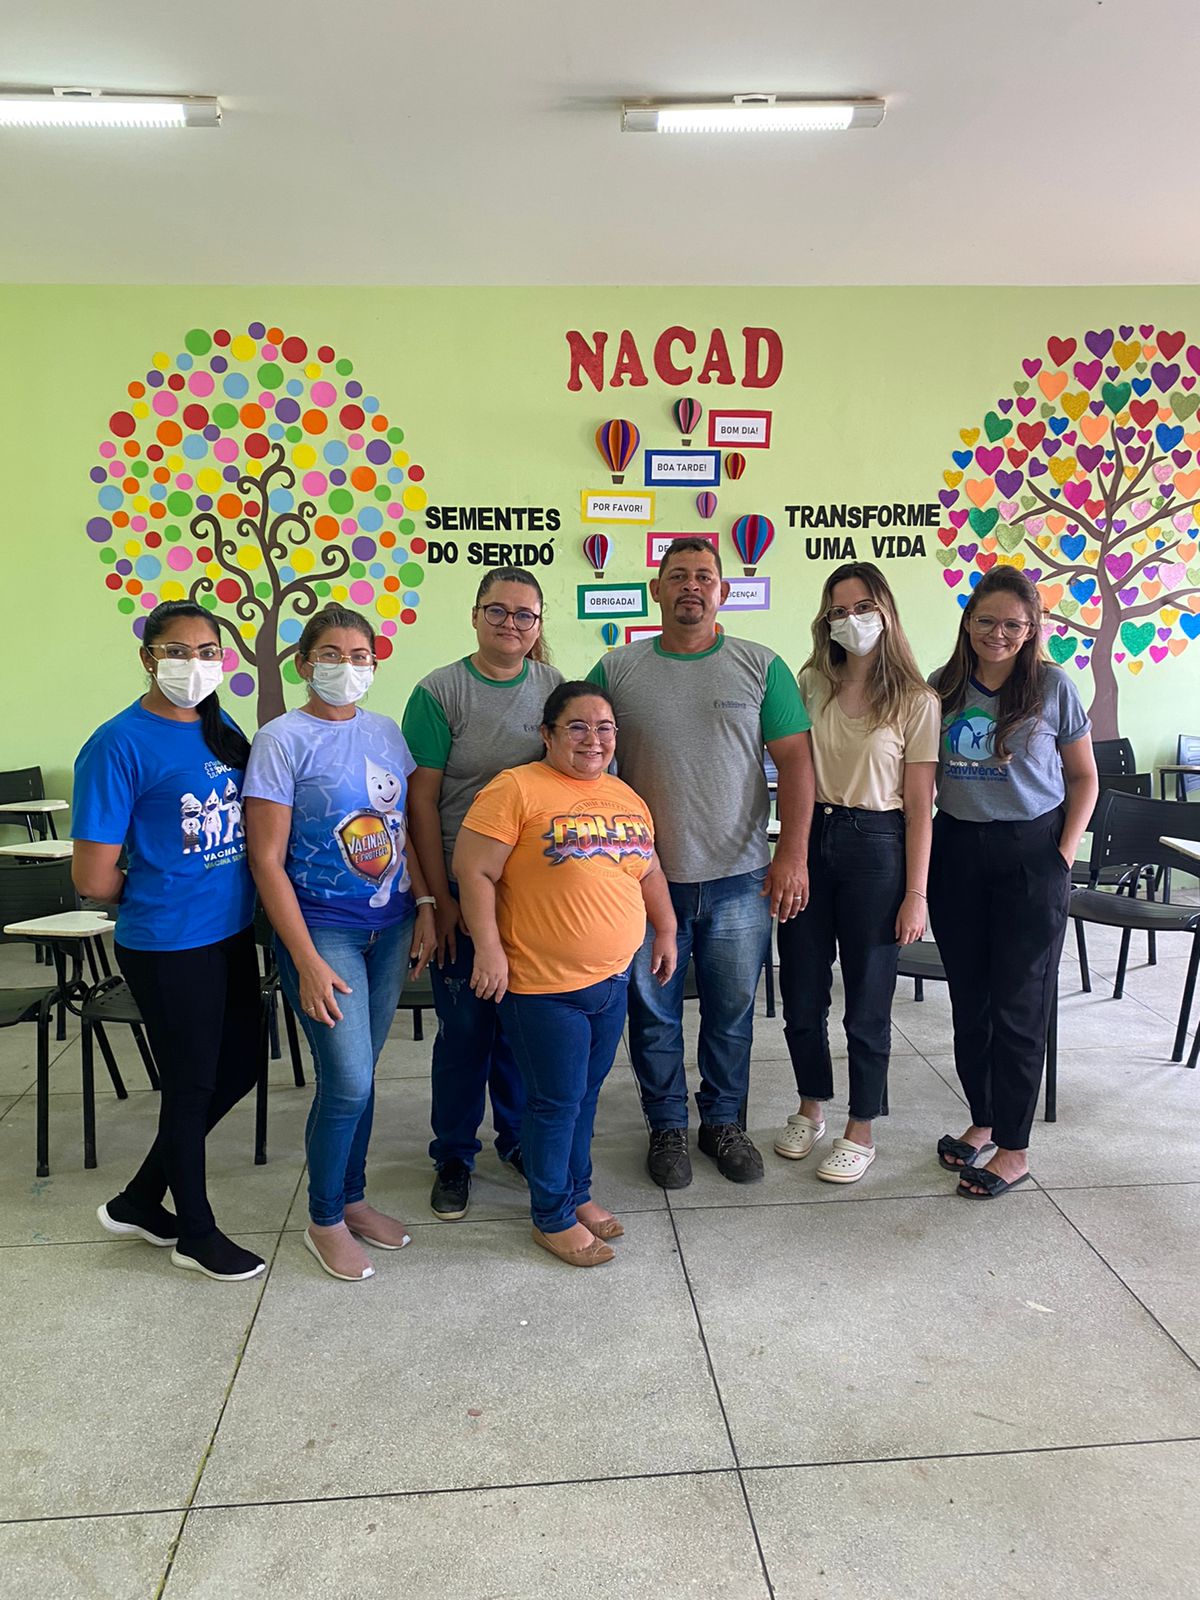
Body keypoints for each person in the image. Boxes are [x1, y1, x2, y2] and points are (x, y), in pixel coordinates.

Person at [587, 537, 813, 1189]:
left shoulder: (761, 666)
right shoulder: (616, 670)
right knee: (653, 1015)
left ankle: (722, 1123)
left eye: (705, 576)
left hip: (741, 878)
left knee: (731, 1013)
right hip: (642, 884)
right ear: (655, 590)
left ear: (724, 592)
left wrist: (792, 854)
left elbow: (797, 763)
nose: (692, 585)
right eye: (678, 575)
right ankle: (666, 1127)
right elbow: (585, 761)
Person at [453, 682, 677, 1266]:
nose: (593, 739)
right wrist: (488, 949)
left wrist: (667, 929)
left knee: (584, 1095)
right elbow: (473, 871)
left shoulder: (625, 795)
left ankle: (577, 1194)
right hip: (542, 986)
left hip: (611, 980)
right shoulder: (516, 788)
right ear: (547, 734)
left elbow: (649, 871)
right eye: (577, 726)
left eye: (604, 727)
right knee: (555, 1102)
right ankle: (551, 1216)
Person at [243, 603, 436, 1280]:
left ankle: (352, 1200)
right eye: (331, 655)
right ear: (304, 662)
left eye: (360, 657)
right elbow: (266, 860)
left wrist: (425, 905)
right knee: (347, 1080)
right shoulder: (281, 740)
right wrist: (304, 960)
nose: (347, 668)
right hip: (323, 930)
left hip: (391, 925)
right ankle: (323, 1218)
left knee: (363, 1072)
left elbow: (401, 830)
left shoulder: (385, 733)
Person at [73, 600, 264, 1281]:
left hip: (231, 931)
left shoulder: (220, 726)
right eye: (177, 651)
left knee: (240, 1065)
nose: (194, 664)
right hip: (169, 943)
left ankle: (139, 1199)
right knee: (190, 1085)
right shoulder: (117, 743)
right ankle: (195, 1234)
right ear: (148, 657)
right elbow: (93, 877)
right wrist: (161, 885)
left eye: (208, 651)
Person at [927, 567, 1097, 1198]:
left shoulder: (1053, 687)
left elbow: (1084, 777)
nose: (997, 634)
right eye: (986, 620)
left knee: (1019, 1005)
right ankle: (984, 1120)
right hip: (956, 851)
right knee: (969, 1004)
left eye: (1013, 625)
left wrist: (1063, 854)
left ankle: (1015, 1148)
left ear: (1031, 630)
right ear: (968, 621)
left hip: (1031, 853)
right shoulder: (941, 687)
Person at [402, 568, 562, 1221]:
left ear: (539, 624)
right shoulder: (440, 692)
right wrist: (436, 903)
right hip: (462, 891)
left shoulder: (553, 687)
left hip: (532, 896)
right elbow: (420, 803)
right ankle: (453, 1156)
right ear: (474, 616)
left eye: (525, 615)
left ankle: (517, 1141)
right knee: (466, 1030)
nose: (511, 624)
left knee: (520, 1030)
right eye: (497, 611)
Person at [774, 563, 938, 1183]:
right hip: (808, 837)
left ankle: (861, 1126)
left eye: (863, 607)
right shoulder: (811, 682)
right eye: (838, 611)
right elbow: (792, 766)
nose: (852, 620)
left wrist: (916, 893)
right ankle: (810, 1105)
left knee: (867, 1001)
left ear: (886, 611)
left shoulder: (917, 701)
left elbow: (920, 807)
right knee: (802, 991)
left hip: (878, 846)